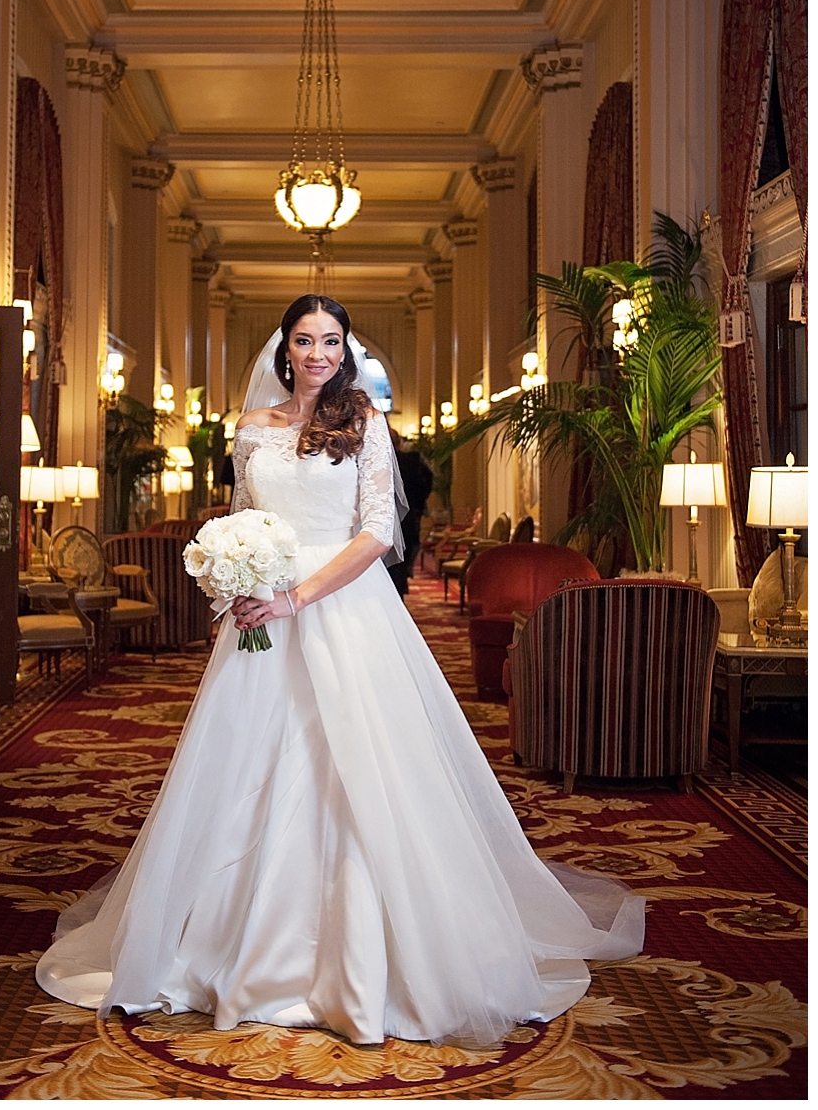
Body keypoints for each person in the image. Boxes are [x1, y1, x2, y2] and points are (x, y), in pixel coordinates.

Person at [35, 294, 643, 1048]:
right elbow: (238, 517)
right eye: (304, 340)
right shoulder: (251, 429)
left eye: (330, 340)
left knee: (357, 767)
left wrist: (296, 596)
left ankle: (367, 954)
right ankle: (231, 939)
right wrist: (235, 581)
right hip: (261, 617)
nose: (317, 352)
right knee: (249, 770)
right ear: (283, 350)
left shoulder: (365, 422)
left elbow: (378, 531)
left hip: (343, 611)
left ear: (344, 348)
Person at [387, 426, 434, 599]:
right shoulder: (413, 460)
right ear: (399, 443)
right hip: (408, 518)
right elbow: (427, 481)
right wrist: (418, 504)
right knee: (402, 559)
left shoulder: (373, 461)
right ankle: (400, 588)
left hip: (380, 520)